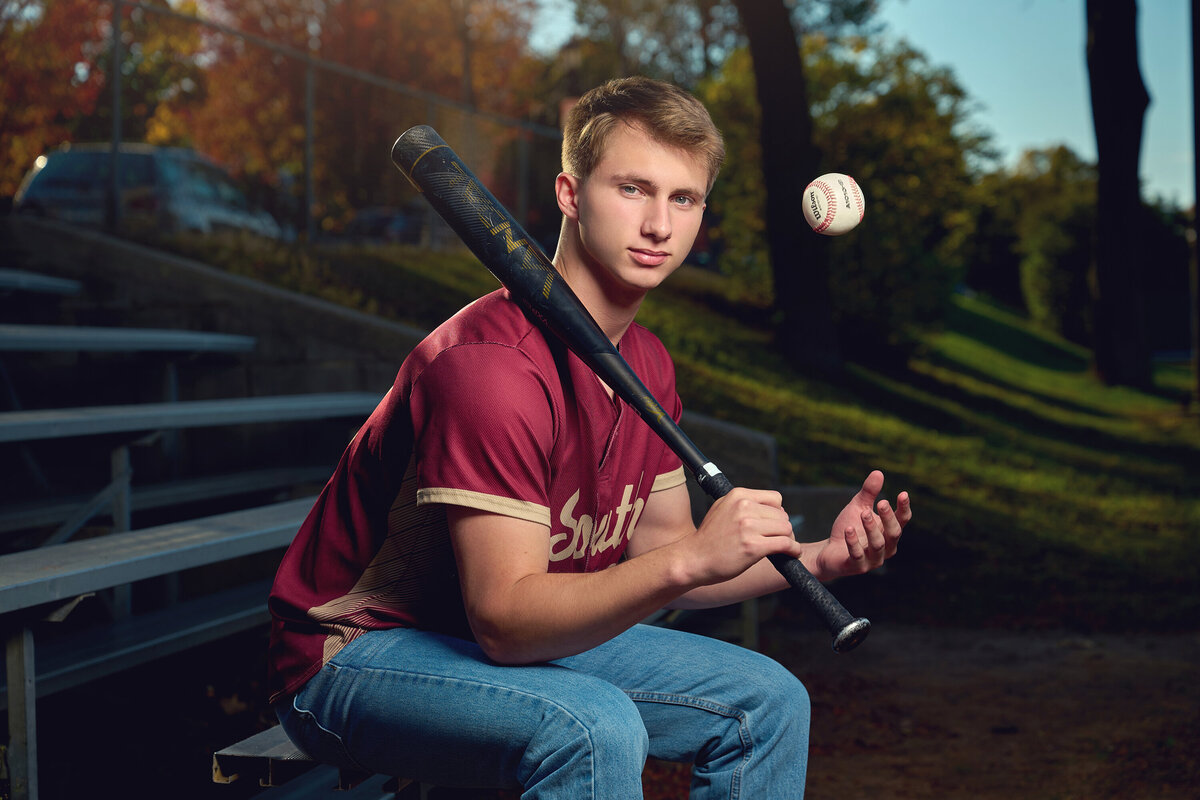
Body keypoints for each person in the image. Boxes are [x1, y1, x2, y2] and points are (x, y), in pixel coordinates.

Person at [267, 75, 911, 799]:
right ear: (570, 195)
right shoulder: (491, 370)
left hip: (496, 640)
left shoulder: (647, 364)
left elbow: (668, 551)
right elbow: (507, 624)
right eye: (633, 189)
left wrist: (824, 557)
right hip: (357, 657)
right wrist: (687, 563)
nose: (660, 226)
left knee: (768, 700)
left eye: (684, 198)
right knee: (592, 725)